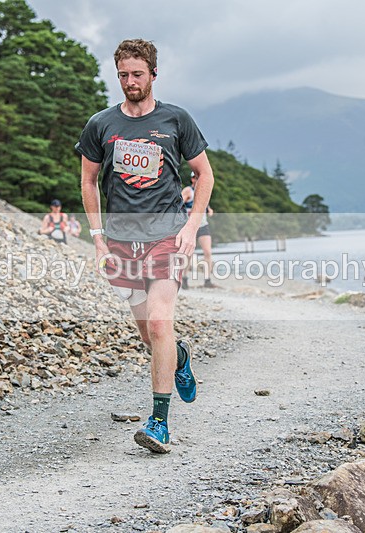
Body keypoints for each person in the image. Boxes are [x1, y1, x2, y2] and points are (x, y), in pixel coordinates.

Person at [77, 38, 215, 454]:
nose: (130, 82)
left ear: (153, 74)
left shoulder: (176, 120)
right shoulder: (101, 124)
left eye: (137, 74)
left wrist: (191, 228)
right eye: (123, 75)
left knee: (158, 323)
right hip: (120, 243)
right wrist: (98, 239)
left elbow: (204, 176)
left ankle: (159, 423)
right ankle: (181, 357)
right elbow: (87, 181)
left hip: (167, 238)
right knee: (148, 334)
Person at [181, 172, 218, 289]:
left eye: (199, 177)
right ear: (192, 179)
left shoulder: (204, 190)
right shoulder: (188, 191)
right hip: (190, 226)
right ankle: (184, 279)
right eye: (195, 177)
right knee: (188, 254)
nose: (197, 179)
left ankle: (207, 280)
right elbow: (177, 204)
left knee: (207, 252)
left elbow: (206, 206)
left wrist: (210, 210)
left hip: (203, 225)